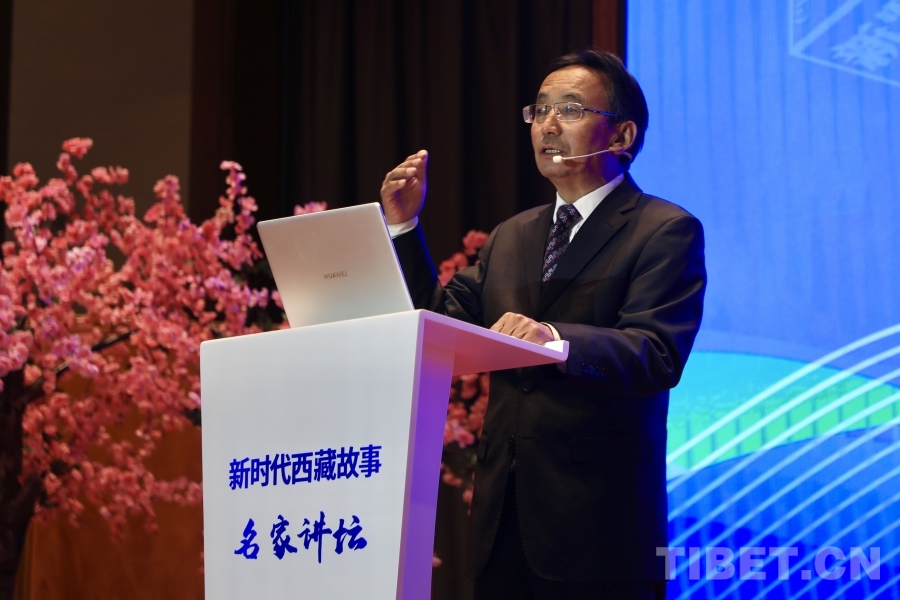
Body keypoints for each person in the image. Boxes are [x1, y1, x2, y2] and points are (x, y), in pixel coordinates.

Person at [380, 48, 706, 600]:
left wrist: (553, 340)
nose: (547, 125)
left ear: (622, 135)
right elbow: (438, 320)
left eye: (571, 110)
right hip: (502, 526)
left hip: (599, 530)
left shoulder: (663, 229)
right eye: (540, 110)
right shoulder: (513, 235)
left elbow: (655, 353)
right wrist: (404, 227)